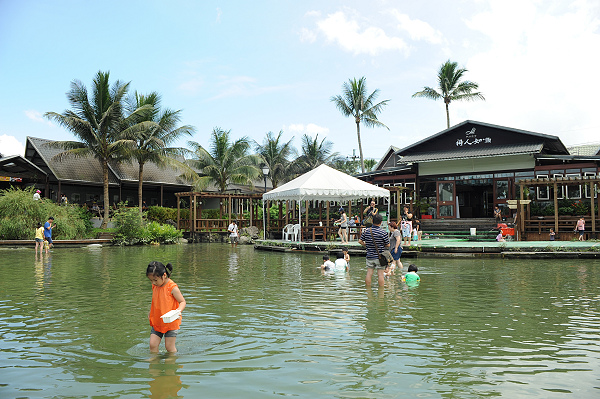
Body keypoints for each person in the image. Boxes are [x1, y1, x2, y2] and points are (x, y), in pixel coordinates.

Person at [147, 261, 186, 353]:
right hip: (158, 320)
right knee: (152, 345)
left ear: (164, 275)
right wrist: (150, 312)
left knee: (169, 347)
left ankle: (171, 362)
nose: (153, 282)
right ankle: (154, 360)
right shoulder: (155, 285)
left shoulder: (172, 287)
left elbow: (182, 301)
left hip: (171, 321)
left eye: (155, 280)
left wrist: (178, 311)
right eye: (151, 280)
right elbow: (156, 300)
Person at [358, 213, 390, 286]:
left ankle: (368, 291)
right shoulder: (383, 232)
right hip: (380, 256)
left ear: (372, 220)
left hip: (369, 255)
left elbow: (360, 241)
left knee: (369, 273)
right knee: (380, 275)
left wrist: (366, 245)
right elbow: (388, 245)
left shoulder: (366, 231)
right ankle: (381, 294)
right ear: (381, 222)